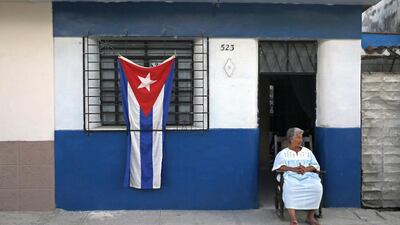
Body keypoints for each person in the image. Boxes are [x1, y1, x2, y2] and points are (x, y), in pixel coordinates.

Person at [272, 127, 323, 225]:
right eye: (298, 138)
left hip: (307, 176)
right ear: (291, 139)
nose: (301, 140)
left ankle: (310, 217)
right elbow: (279, 167)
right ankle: (293, 219)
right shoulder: (283, 153)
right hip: (290, 176)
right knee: (290, 187)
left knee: (316, 187)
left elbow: (315, 165)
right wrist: (293, 169)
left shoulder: (307, 152)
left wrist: (305, 169)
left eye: (301, 138)